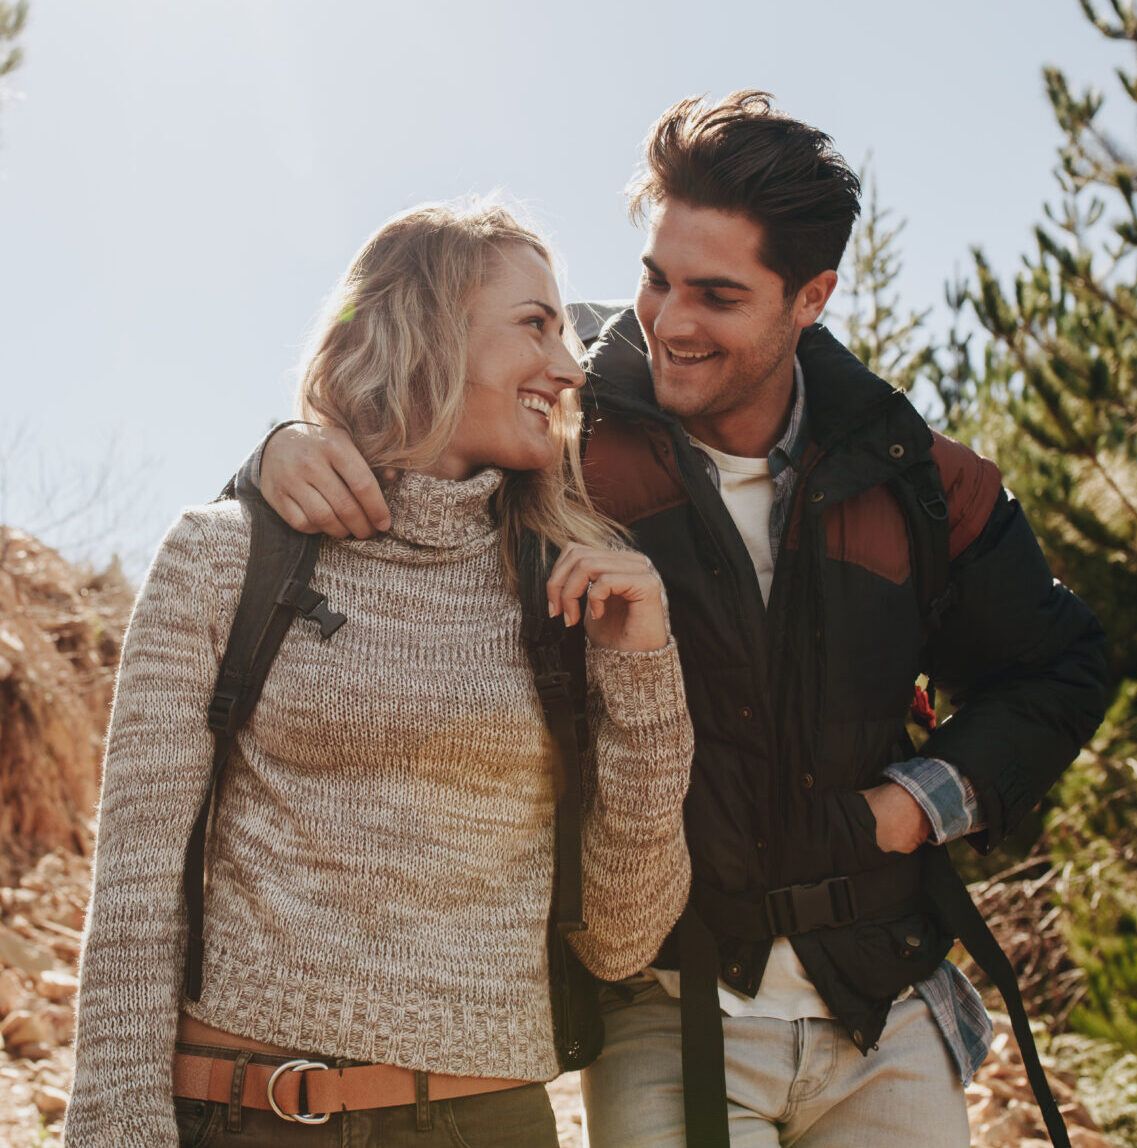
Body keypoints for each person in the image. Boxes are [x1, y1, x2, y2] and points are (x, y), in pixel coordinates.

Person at [232, 94, 1109, 1148]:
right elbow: (395, 436)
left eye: (719, 294)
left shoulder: (916, 476)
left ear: (812, 296)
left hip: (887, 996)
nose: (669, 321)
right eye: (657, 278)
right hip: (667, 999)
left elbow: (1061, 665)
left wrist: (910, 808)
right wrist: (274, 450)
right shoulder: (561, 429)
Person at [64, 203, 696, 1147]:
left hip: (489, 1125)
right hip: (242, 1114)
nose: (568, 367)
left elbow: (621, 937)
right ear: (427, 330)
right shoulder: (223, 555)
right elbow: (137, 885)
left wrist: (645, 684)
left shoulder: (573, 591)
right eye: (535, 324)